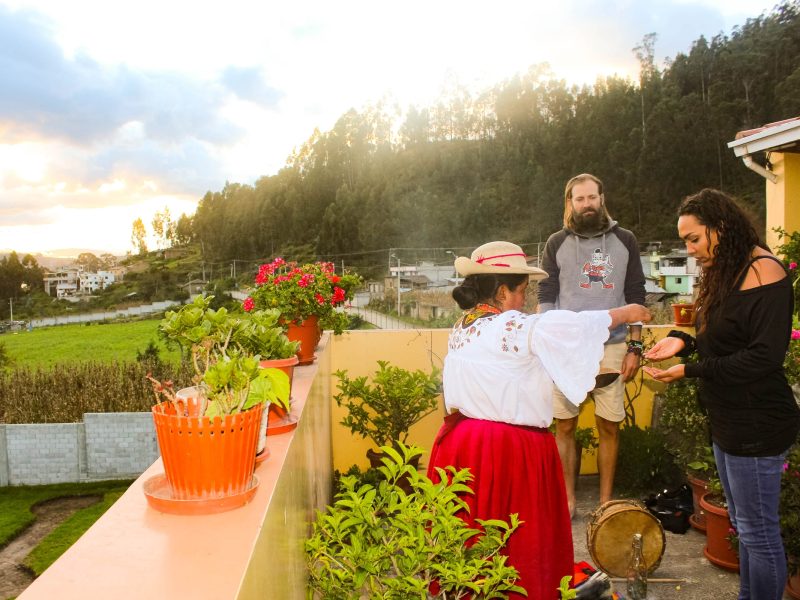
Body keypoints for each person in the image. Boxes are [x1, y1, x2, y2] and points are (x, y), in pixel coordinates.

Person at [428, 240, 651, 600]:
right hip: (508, 450)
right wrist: (628, 313)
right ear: (502, 291)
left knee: (472, 537)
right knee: (521, 541)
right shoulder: (515, 326)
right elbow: (571, 325)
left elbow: (515, 372)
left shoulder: (463, 327)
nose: (526, 299)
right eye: (521, 290)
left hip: (464, 445)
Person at [644, 189, 800, 600]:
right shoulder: (726, 269)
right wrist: (682, 341)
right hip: (728, 419)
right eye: (685, 242)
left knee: (758, 533)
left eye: (694, 238)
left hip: (758, 423)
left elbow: (762, 358)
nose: (690, 249)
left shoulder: (766, 272)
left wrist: (689, 369)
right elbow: (722, 342)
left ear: (722, 227)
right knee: (744, 526)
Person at [538, 173, 646, 516]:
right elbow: (546, 293)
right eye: (579, 199)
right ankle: (567, 500)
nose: (587, 204)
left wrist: (635, 346)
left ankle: (604, 503)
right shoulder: (556, 243)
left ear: (602, 199)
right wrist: (548, 341)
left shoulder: (625, 240)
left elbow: (636, 294)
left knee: (608, 425)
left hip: (612, 346)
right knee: (565, 424)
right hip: (567, 350)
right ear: (569, 203)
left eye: (592, 197)